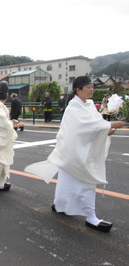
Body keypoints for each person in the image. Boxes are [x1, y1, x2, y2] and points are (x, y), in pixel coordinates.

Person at [25, 76, 126, 233]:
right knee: (84, 183)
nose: (91, 89)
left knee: (70, 183)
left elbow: (94, 126)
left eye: (92, 87)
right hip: (74, 153)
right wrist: (110, 124)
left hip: (81, 151)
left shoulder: (90, 105)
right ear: (78, 90)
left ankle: (61, 205)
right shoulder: (73, 108)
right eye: (88, 87)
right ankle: (90, 217)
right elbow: (84, 127)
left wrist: (106, 130)